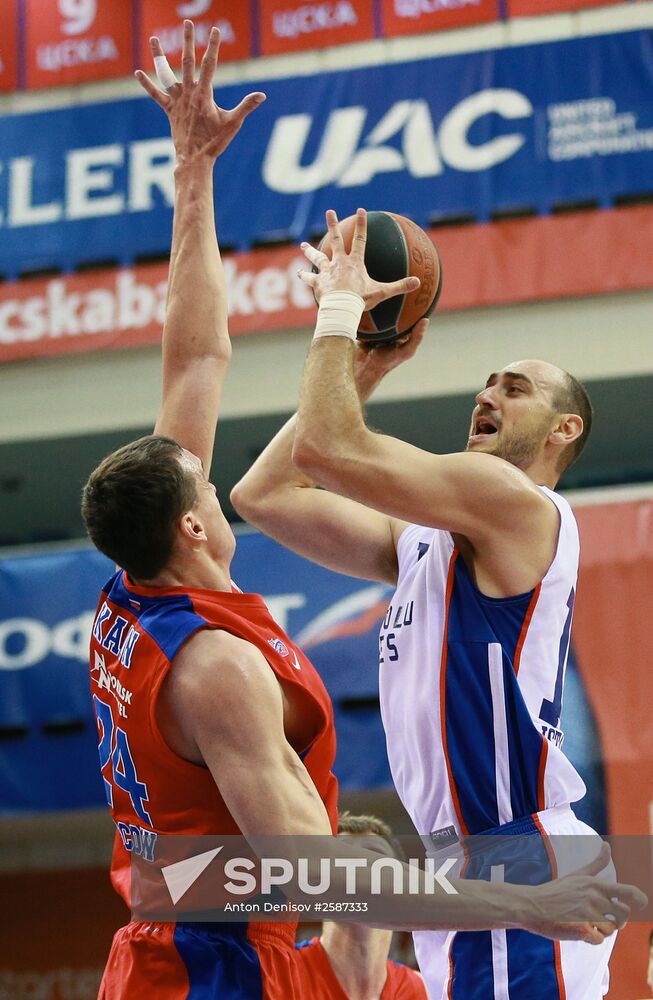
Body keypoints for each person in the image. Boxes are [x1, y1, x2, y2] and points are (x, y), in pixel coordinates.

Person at [230, 208, 637, 998]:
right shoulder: (429, 538)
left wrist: (343, 317)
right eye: (485, 383)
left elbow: (328, 449)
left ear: (563, 429)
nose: (488, 394)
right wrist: (370, 368)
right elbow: (265, 493)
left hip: (518, 846)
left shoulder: (514, 501)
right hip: (460, 861)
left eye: (513, 390)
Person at [296, 812, 428, 999]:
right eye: (342, 858)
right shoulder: (276, 973)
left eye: (375, 857)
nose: (359, 867)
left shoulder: (427, 991)